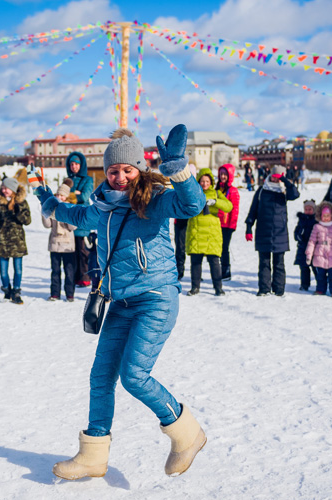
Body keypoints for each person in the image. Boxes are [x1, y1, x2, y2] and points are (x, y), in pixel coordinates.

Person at [34, 125, 207, 480]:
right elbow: (76, 217)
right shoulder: (101, 206)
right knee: (101, 376)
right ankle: (93, 456)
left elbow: (193, 204)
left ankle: (188, 435)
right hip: (120, 302)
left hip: (156, 298)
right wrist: (49, 201)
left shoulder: (155, 199)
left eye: (127, 169)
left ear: (140, 169)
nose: (120, 176)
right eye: (113, 170)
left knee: (134, 376)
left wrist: (177, 168)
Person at [245, 165, 301, 296]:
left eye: (279, 177)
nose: (276, 180)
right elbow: (253, 210)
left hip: (279, 232)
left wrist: (285, 180)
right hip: (263, 231)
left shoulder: (284, 191)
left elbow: (296, 194)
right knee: (264, 263)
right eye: (274, 177)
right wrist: (248, 227)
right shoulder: (261, 190)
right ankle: (264, 289)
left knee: (279, 263)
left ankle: (279, 290)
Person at [186, 167, 233, 296]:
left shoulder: (217, 193)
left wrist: (216, 202)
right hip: (196, 231)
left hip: (212, 233)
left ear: (211, 182)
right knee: (195, 262)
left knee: (214, 262)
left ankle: (218, 288)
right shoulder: (193, 193)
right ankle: (195, 287)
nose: (205, 184)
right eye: (202, 181)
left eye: (207, 181)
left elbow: (229, 206)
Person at [0, 176, 31, 305]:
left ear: (13, 189)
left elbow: (27, 220)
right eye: (3, 188)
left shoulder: (21, 203)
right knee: (3, 271)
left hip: (17, 241)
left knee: (18, 269)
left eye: (7, 188)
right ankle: (7, 290)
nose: (4, 190)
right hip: (3, 241)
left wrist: (18, 211)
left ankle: (16, 291)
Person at [42, 178, 77, 301]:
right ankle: (55, 294)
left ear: (66, 197)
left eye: (61, 195)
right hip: (55, 244)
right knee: (55, 271)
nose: (59, 197)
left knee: (69, 271)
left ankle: (70, 294)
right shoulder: (52, 208)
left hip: (68, 245)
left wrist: (66, 214)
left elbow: (72, 227)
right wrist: (44, 211)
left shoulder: (71, 208)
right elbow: (47, 225)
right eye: (57, 194)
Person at [305, 201, 332, 297]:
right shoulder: (317, 227)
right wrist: (309, 254)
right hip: (319, 255)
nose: (326, 218)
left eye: (328, 215)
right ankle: (320, 290)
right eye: (324, 216)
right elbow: (312, 241)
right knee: (320, 275)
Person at [66, 152, 94, 287]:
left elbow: (85, 196)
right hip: (70, 219)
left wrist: (73, 195)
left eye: (76, 164)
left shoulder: (88, 179)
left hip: (82, 218)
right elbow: (63, 196)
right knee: (73, 252)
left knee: (83, 251)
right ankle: (76, 277)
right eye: (71, 164)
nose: (74, 167)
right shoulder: (67, 180)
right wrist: (75, 194)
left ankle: (85, 278)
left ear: (81, 165)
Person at [215, 164, 240, 280]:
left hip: (227, 225)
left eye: (225, 174)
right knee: (216, 248)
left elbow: (235, 209)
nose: (223, 176)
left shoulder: (233, 191)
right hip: (216, 223)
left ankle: (226, 271)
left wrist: (232, 225)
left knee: (224, 248)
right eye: (221, 174)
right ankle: (217, 270)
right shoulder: (216, 189)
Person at [293, 200, 318, 291]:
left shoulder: (316, 220)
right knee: (304, 267)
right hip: (303, 246)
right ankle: (304, 284)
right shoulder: (302, 219)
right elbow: (297, 230)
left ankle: (320, 285)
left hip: (314, 248)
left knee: (316, 267)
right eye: (306, 209)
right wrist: (297, 236)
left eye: (310, 209)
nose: (308, 211)